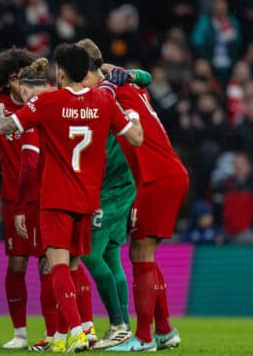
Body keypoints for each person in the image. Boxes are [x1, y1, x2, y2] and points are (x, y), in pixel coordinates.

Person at [0, 43, 143, 353]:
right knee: (72, 266)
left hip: (57, 197)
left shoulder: (48, 102)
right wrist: (136, 118)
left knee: (56, 265)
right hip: (88, 198)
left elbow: (7, 127)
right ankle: (80, 330)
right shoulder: (103, 100)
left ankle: (73, 330)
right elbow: (136, 138)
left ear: (59, 72)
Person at [99, 54, 189, 352]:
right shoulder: (132, 89)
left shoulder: (109, 91)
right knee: (145, 254)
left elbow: (139, 74)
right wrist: (132, 74)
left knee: (140, 254)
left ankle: (144, 338)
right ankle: (163, 331)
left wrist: (125, 74)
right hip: (164, 174)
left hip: (157, 178)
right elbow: (145, 76)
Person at [76, 38, 154, 349]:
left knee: (89, 254)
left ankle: (120, 323)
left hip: (116, 185)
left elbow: (145, 76)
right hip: (109, 183)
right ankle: (121, 327)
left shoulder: (109, 88)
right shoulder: (93, 92)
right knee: (110, 256)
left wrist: (127, 73)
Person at [0, 48, 48, 350]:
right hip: (14, 198)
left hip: (46, 197)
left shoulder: (46, 105)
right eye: (11, 78)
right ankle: (20, 333)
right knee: (16, 265)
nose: (17, 85)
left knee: (49, 265)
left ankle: (55, 331)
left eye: (20, 78)